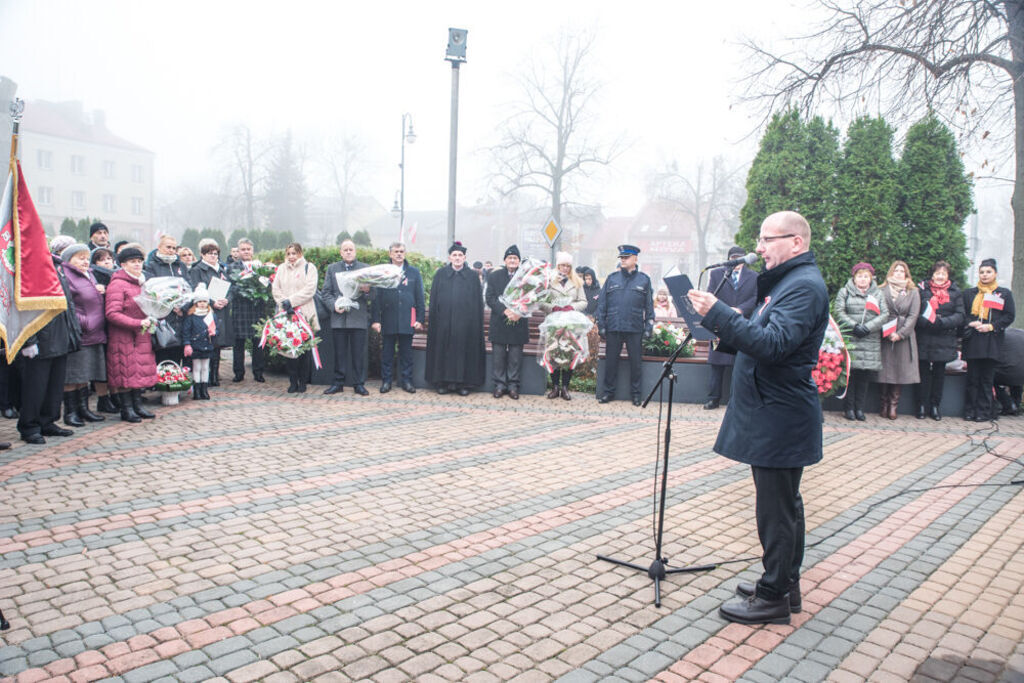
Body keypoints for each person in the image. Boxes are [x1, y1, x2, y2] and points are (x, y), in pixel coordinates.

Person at [688, 211, 829, 625]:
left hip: (779, 415)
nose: (760, 248)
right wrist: (725, 329)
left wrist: (721, 314)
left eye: (769, 240)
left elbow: (774, 346)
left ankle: (773, 597)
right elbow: (763, 336)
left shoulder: (802, 286)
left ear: (796, 242)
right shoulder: (789, 282)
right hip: (774, 411)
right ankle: (785, 580)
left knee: (777, 509)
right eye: (760, 239)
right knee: (785, 505)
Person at [17, 243, 81, 444]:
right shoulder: (30, 268)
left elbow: (67, 304)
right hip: (41, 337)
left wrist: (73, 332)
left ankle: (48, 421)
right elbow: (26, 308)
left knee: (54, 385)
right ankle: (29, 426)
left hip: (61, 334)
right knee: (36, 386)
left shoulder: (57, 266)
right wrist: (29, 340)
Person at [595, 244, 654, 406]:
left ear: (635, 259)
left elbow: (649, 306)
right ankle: (608, 393)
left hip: (635, 328)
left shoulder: (644, 280)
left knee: (635, 364)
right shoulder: (612, 278)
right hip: (614, 326)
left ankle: (636, 395)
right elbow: (602, 304)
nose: (623, 260)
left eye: (626, 257)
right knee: (611, 362)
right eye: (621, 257)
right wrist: (601, 325)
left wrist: (649, 326)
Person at [424, 241, 486, 395]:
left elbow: (478, 302)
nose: (457, 258)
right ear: (449, 257)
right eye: (454, 255)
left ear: (465, 258)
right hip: (443, 323)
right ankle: (442, 382)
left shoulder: (472, 276)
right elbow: (434, 299)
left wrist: (474, 323)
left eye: (460, 255)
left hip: (465, 325)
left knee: (464, 352)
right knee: (442, 351)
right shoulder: (441, 274)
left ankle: (464, 384)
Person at [105, 247, 158, 422]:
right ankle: (127, 409)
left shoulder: (142, 283)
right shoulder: (117, 284)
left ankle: (138, 406)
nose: (137, 264)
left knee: (138, 371)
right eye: (132, 261)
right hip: (124, 336)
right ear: (123, 264)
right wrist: (137, 323)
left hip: (141, 335)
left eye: (139, 261)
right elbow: (112, 313)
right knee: (125, 372)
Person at [59, 243, 108, 426]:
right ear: (69, 259)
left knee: (85, 373)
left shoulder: (90, 274)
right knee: (73, 374)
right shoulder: (66, 276)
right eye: (80, 258)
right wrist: (83, 322)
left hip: (95, 333)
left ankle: (84, 409)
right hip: (79, 332)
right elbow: (67, 304)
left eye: (87, 258)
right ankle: (71, 413)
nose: (85, 261)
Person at [961, 258, 1016, 421]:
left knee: (986, 379)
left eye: (988, 272)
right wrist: (971, 322)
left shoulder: (1003, 293)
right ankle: (970, 410)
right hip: (974, 340)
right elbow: (962, 314)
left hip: (992, 341)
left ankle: (984, 412)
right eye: (982, 272)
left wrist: (991, 326)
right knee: (972, 378)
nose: (985, 275)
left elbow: (1009, 316)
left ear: (995, 274)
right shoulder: (969, 293)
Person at [704, 246, 758, 410]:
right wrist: (725, 310)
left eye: (740, 258)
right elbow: (710, 295)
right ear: (729, 259)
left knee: (740, 363)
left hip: (742, 323)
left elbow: (756, 297)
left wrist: (740, 309)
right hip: (720, 324)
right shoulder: (717, 274)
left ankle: (737, 399)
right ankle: (714, 398)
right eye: (734, 258)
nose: (738, 262)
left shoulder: (754, 277)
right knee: (717, 363)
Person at [833, 262, 888, 421]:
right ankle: (848, 408)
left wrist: (868, 327)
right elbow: (839, 311)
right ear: (854, 277)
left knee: (864, 377)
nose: (863, 279)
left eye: (866, 276)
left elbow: (884, 314)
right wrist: (854, 326)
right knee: (850, 375)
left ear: (870, 278)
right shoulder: (845, 292)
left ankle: (859, 408)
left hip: (869, 339)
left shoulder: (877, 294)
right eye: (859, 276)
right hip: (851, 338)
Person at [370, 241, 424, 394]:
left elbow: (419, 296)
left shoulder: (414, 272)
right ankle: (386, 381)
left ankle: (407, 381)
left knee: (406, 353)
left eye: (401, 251)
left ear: (405, 253)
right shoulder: (383, 272)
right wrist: (376, 320)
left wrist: (419, 318)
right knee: (387, 353)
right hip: (388, 318)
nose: (399, 254)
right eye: (396, 251)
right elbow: (376, 298)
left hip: (408, 320)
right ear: (390, 254)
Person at [914, 260, 965, 420]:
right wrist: (927, 321)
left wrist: (942, 322)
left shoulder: (955, 292)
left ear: (948, 275)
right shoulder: (922, 289)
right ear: (933, 275)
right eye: (937, 273)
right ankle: (921, 405)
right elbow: (915, 310)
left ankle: (935, 406)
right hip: (925, 335)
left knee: (939, 374)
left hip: (944, 337)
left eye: (943, 274)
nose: (940, 277)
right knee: (922, 373)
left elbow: (960, 315)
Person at [318, 240, 370, 395]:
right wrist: (334, 305)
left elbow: (374, 295)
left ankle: (358, 384)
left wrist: (367, 290)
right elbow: (325, 292)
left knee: (358, 354)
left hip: (358, 318)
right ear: (340, 252)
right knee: (339, 353)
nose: (348, 252)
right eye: (345, 249)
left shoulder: (365, 269)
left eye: (351, 249)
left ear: (355, 252)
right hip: (339, 318)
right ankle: (338, 383)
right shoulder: (332, 269)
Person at [272, 242, 320, 394]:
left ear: (300, 253)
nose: (292, 257)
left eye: (295, 253)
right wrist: (284, 303)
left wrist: (291, 301)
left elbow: (310, 289)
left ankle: (303, 381)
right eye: (289, 253)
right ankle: (292, 381)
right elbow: (276, 289)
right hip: (286, 314)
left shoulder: (309, 268)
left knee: (303, 350)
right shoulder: (281, 268)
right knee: (289, 348)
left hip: (304, 312)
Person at [876, 260, 920, 419]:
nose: (899, 273)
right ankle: (884, 404)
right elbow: (876, 312)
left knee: (899, 371)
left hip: (903, 337)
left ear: (906, 274)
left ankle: (893, 406)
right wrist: (884, 330)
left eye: (902, 271)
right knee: (884, 371)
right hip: (885, 335)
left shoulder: (913, 291)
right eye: (896, 271)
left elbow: (913, 316)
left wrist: (901, 333)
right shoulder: (881, 290)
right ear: (891, 273)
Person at [540, 251, 587, 400]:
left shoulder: (577, 282)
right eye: (562, 265)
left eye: (568, 266)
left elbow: (584, 301)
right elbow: (541, 301)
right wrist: (552, 307)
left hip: (571, 324)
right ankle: (554, 387)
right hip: (553, 323)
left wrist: (572, 307)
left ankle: (565, 387)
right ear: (558, 265)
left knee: (568, 355)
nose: (565, 268)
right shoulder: (549, 280)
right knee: (554, 354)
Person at [486, 245, 529, 399]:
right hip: (499, 322)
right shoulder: (494, 276)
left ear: (519, 261)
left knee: (515, 358)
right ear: (504, 260)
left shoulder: (526, 278)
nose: (512, 261)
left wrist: (519, 313)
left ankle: (513, 386)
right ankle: (499, 385)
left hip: (518, 323)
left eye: (515, 258)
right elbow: (489, 298)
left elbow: (531, 299)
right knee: (498, 357)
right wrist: (505, 311)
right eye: (509, 258)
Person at [189, 241, 233, 386]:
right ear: (202, 255)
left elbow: (231, 287)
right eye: (210, 253)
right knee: (207, 341)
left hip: (222, 310)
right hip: (206, 310)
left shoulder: (222, 269)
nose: (213, 256)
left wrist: (227, 299)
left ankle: (215, 374)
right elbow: (196, 289)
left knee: (218, 343)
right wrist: (212, 302)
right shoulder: (197, 270)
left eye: (215, 254)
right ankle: (205, 377)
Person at [144, 234, 190, 366]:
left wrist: (183, 307)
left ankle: (176, 379)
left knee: (178, 351)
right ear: (159, 247)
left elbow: (189, 287)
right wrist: (168, 305)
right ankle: (162, 381)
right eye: (168, 247)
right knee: (163, 352)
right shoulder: (151, 265)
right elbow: (151, 289)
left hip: (180, 316)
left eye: (174, 248)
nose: (171, 250)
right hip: (162, 316)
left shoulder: (180, 265)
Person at [229, 238, 269, 383]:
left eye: (248, 249)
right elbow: (230, 287)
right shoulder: (232, 267)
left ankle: (258, 372)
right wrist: (243, 290)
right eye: (243, 249)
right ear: (238, 252)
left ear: (252, 251)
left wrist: (259, 290)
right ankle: (238, 373)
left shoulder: (259, 266)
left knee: (258, 342)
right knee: (238, 343)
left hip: (257, 308)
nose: (246, 252)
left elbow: (266, 284)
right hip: (240, 309)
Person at [182, 284, 216, 400]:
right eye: (200, 301)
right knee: (196, 367)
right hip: (195, 345)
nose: (202, 303)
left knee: (206, 367)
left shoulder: (211, 315)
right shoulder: (191, 316)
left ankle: (204, 389)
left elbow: (216, 328)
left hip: (207, 344)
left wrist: (214, 332)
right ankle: (196, 390)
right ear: (196, 302)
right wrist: (187, 343)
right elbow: (186, 331)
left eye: (205, 301)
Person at [994, 328, 1023, 416]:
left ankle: (1008, 404)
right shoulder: (1021, 333)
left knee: (988, 378)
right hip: (1021, 373)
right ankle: (1016, 405)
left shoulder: (999, 335)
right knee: (1018, 381)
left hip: (1007, 371)